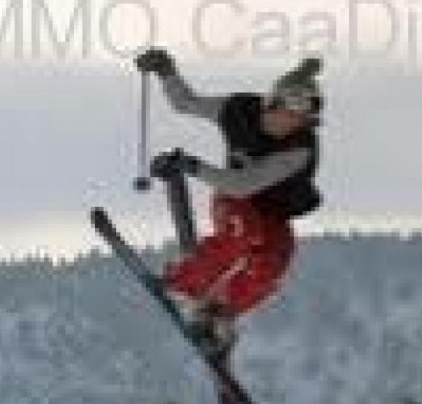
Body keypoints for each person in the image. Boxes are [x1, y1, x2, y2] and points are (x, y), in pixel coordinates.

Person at [135, 48, 323, 350]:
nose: (294, 125)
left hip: (268, 212)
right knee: (243, 233)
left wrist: (192, 166)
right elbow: (186, 103)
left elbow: (244, 183)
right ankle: (183, 284)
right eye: (291, 116)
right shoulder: (237, 110)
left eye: (303, 120)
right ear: (272, 103)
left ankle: (219, 312)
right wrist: (166, 70)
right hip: (234, 203)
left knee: (275, 257)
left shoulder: (299, 149)